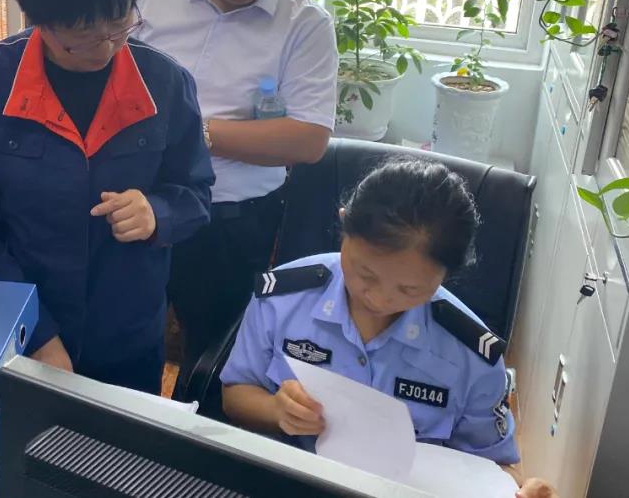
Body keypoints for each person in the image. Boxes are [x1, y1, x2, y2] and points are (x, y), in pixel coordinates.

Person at [0, 0, 214, 395]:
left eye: (120, 24)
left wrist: (157, 212)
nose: (107, 48)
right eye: (84, 36)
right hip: (20, 327)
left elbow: (196, 193)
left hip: (127, 334)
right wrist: (36, 332)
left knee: (123, 440)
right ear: (39, 21)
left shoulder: (166, 84)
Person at [219, 159, 554, 498]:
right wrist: (276, 411)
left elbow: (495, 467)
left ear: (446, 275)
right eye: (365, 273)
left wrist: (518, 491)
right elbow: (236, 394)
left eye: (409, 289)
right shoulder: (283, 299)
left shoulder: (471, 354)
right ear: (344, 223)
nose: (379, 299)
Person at [138, 0, 338, 382]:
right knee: (130, 336)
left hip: (230, 221)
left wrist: (195, 134)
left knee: (214, 360)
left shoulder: (305, 25)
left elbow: (308, 139)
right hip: (142, 204)